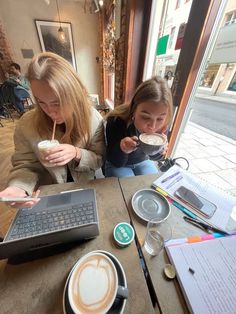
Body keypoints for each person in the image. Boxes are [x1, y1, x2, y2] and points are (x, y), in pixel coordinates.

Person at [0, 52, 105, 207]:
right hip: (47, 194)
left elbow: (99, 159)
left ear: (74, 95)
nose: (50, 111)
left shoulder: (93, 119)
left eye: (57, 103)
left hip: (85, 188)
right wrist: (18, 187)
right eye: (41, 102)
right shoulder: (26, 125)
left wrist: (77, 153)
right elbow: (25, 164)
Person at [104, 76, 173, 178]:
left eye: (159, 119)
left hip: (143, 161)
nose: (152, 126)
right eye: (145, 117)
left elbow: (155, 157)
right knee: (128, 188)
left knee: (152, 183)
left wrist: (159, 150)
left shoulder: (162, 125)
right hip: (118, 163)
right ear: (134, 110)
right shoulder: (116, 121)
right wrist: (122, 148)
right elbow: (115, 161)